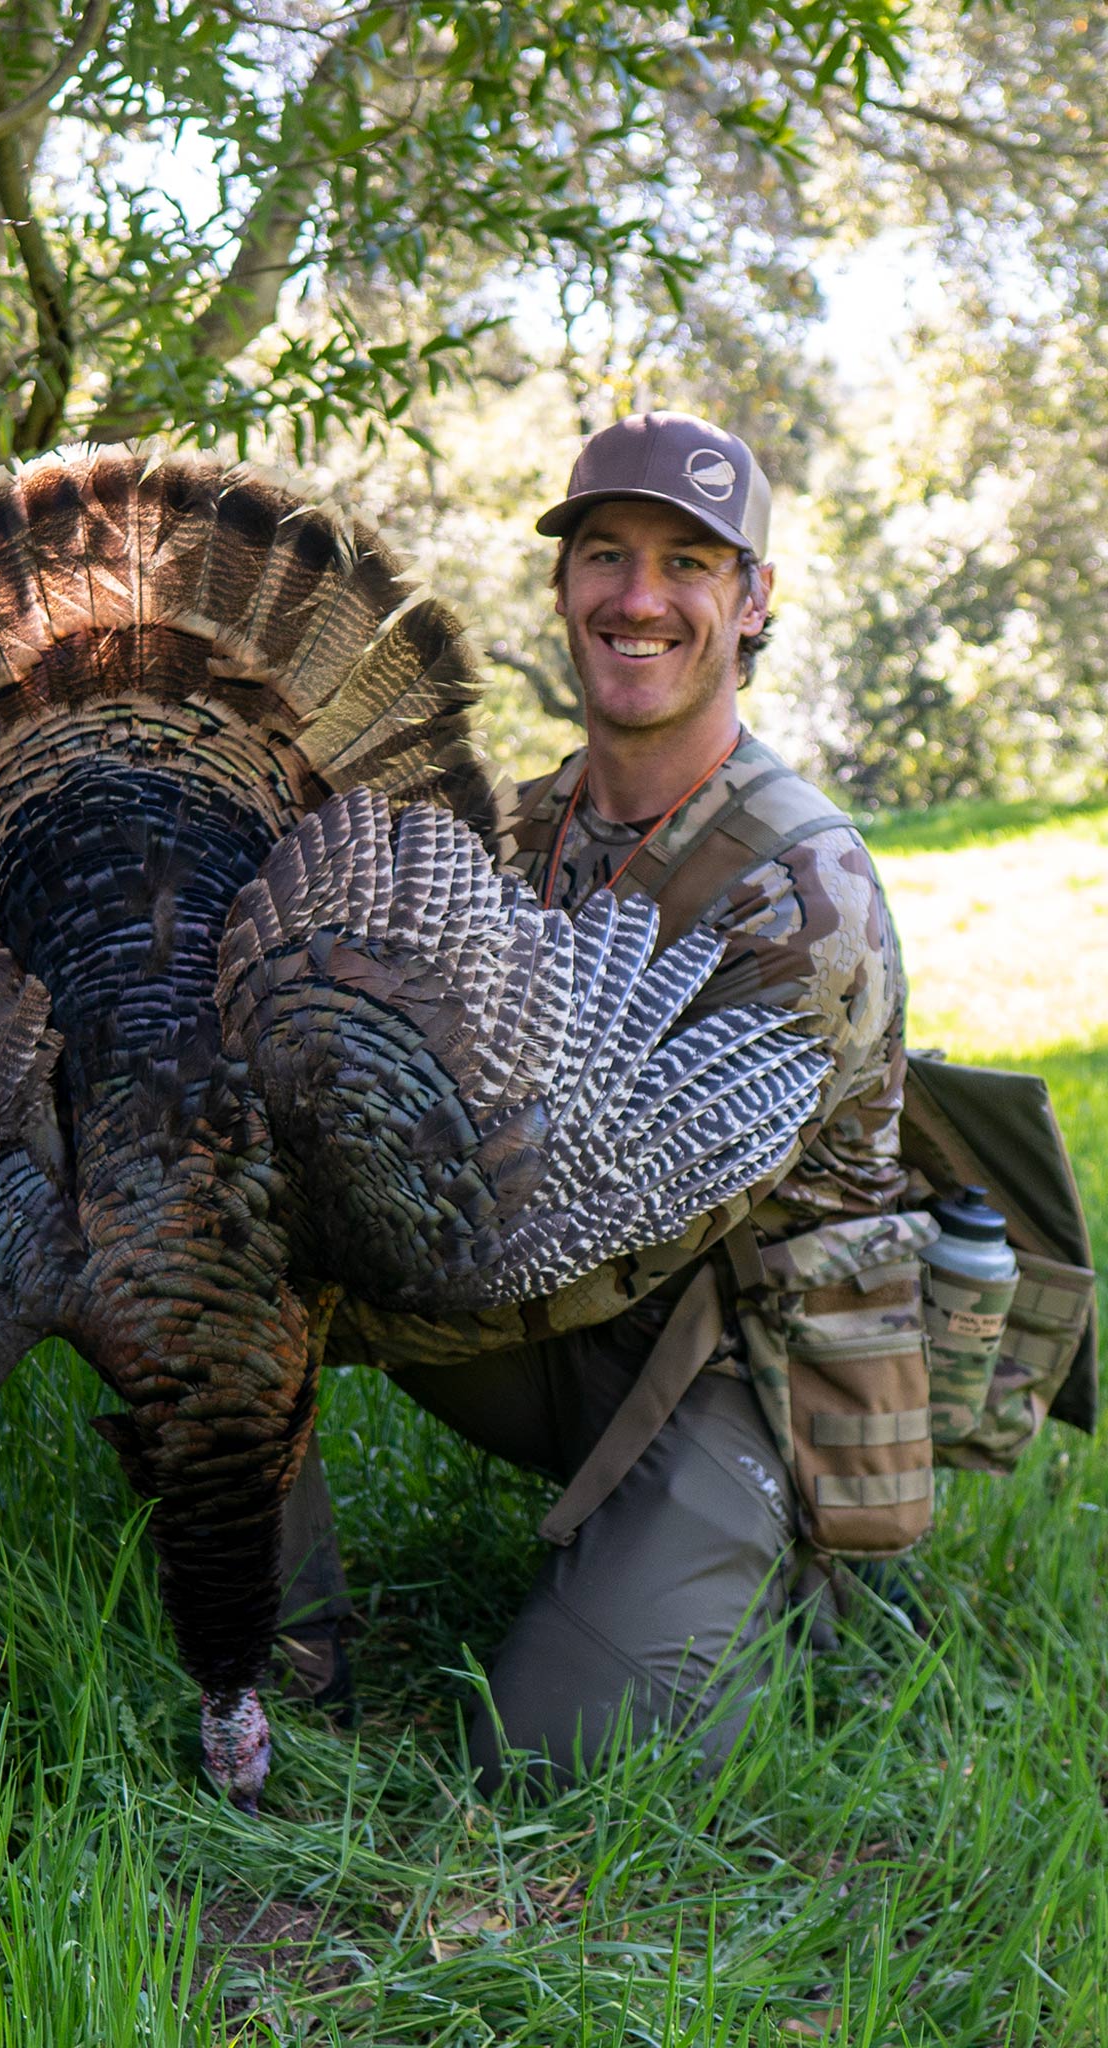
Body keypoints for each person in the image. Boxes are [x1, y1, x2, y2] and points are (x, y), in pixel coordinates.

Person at [279, 410, 913, 1790]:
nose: (640, 596)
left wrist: (346, 1263)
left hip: (753, 1359)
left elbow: (623, 1236)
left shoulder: (804, 896)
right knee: (220, 1221)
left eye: (691, 563)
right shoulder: (517, 827)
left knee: (558, 1762)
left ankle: (812, 1576)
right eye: (607, 555)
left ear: (753, 605)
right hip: (567, 1296)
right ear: (564, 589)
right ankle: (280, 1654)